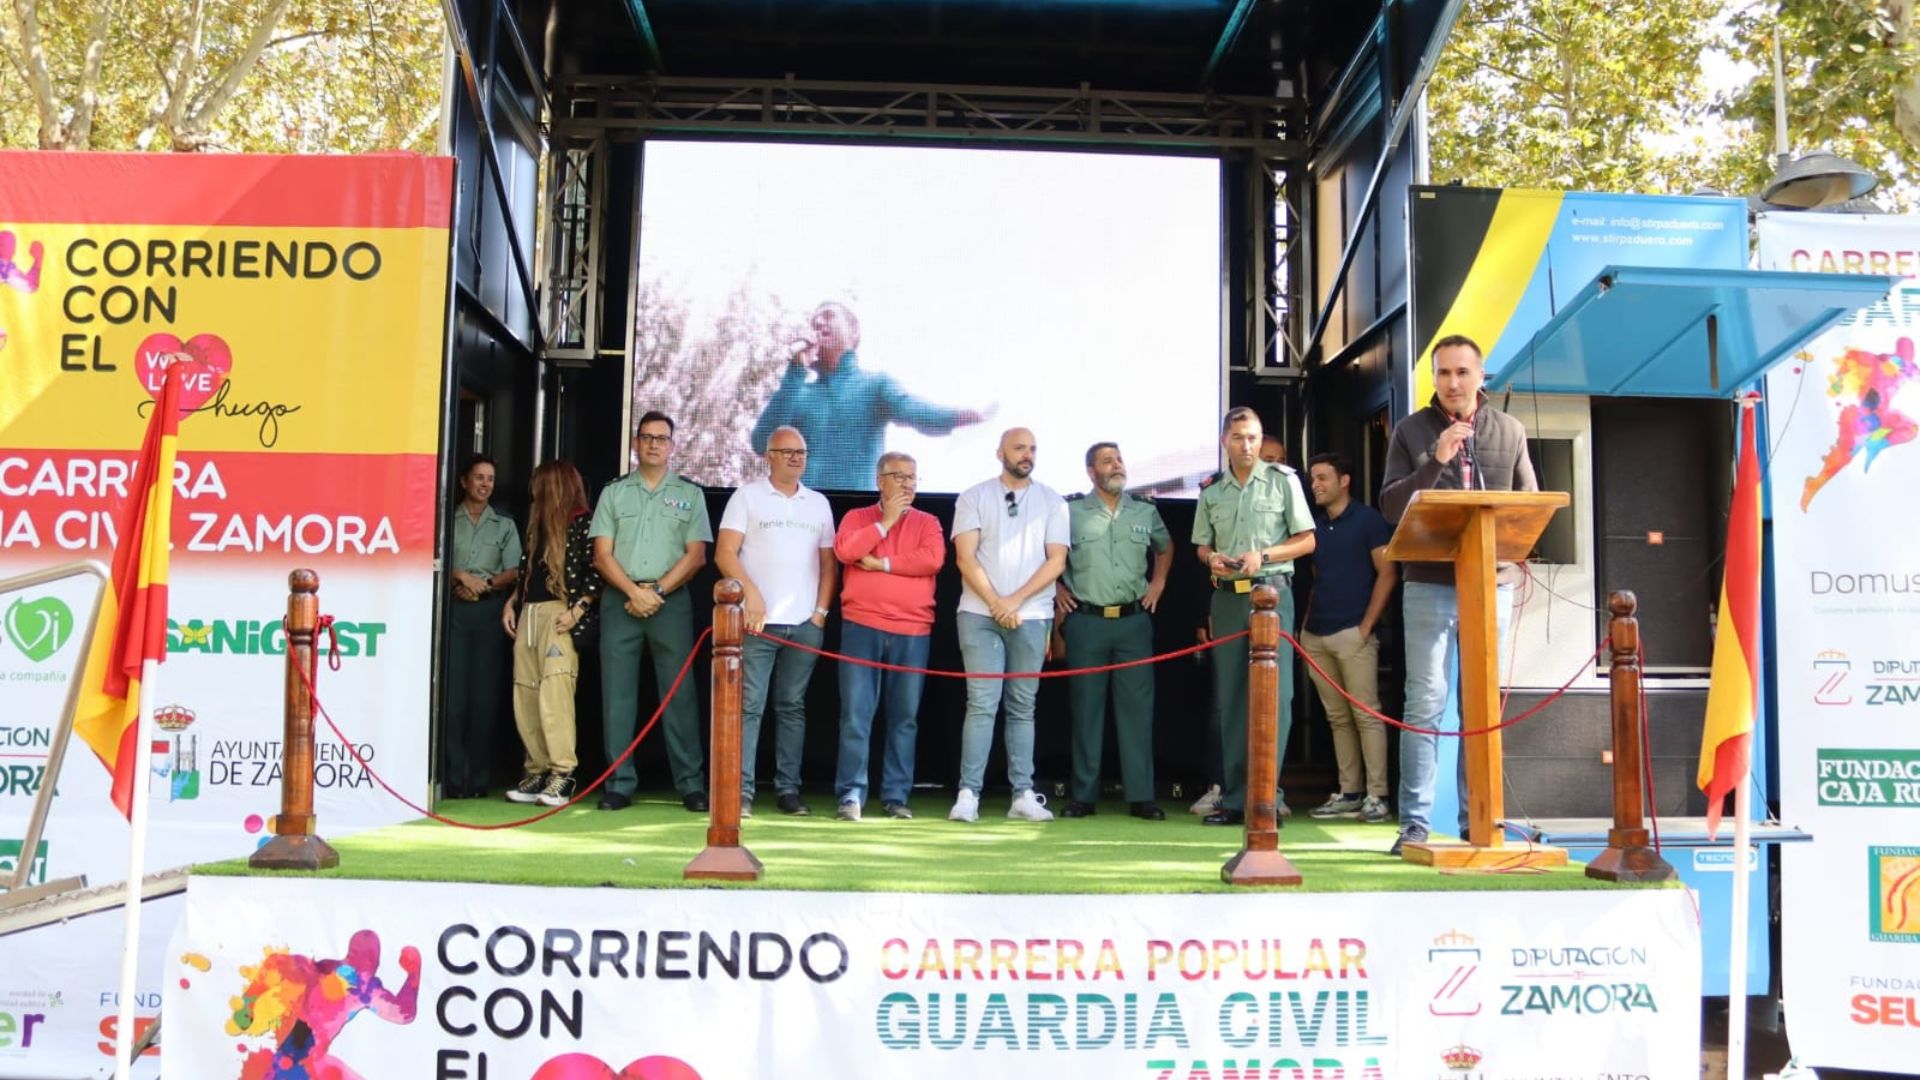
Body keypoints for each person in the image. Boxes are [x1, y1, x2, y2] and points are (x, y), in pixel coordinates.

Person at [1380, 333, 1537, 856]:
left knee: (1479, 708)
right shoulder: (1410, 430)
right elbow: (1388, 507)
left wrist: (1515, 548)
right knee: (1423, 704)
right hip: (1428, 585)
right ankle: (1415, 827)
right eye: (1443, 373)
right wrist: (1435, 461)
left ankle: (1481, 822)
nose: (1452, 382)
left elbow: (1528, 505)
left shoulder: (1509, 430)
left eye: (1461, 373)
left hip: (1489, 585)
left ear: (1480, 376)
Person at [1192, 407, 1315, 826]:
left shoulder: (1284, 482)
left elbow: (1306, 541)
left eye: (1254, 437)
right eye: (1240, 437)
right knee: (1230, 700)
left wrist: (1262, 555)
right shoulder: (1211, 492)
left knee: (1276, 698)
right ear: (1225, 440)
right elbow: (1201, 547)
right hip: (1228, 599)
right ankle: (1233, 797)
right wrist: (1213, 559)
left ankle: (1267, 796)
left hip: (1272, 594)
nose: (1248, 445)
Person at [590, 411, 713, 812]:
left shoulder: (690, 495)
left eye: (662, 438)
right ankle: (619, 783)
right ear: (636, 443)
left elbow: (696, 556)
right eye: (647, 437)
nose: (654, 444)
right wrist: (633, 591)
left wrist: (656, 591)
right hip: (620, 600)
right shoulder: (614, 493)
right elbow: (601, 554)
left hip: (670, 601)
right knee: (617, 696)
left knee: (679, 695)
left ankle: (690, 784)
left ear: (672, 446)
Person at [715, 426, 837, 816]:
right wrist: (750, 593)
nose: (795, 458)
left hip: (804, 623)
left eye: (800, 452)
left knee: (791, 707)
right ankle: (741, 793)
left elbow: (828, 563)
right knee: (748, 707)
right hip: (757, 625)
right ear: (768, 456)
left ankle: (788, 791)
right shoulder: (746, 496)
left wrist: (820, 612)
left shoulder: (817, 503)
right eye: (786, 452)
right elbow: (725, 553)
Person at [949, 427, 1069, 823]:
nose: (1027, 454)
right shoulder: (974, 496)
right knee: (982, 703)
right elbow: (966, 558)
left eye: (1033, 448)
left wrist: (1013, 601)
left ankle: (1022, 794)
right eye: (1019, 448)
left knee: (1022, 707)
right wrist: (997, 603)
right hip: (979, 614)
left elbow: (1056, 561)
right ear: (1000, 452)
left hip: (1032, 616)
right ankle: (968, 794)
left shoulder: (1053, 501)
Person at [751, 301, 994, 490]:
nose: (818, 324)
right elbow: (762, 443)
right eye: (814, 322)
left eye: (828, 316)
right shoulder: (798, 393)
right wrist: (796, 371)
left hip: (857, 522)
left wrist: (960, 416)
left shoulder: (874, 385)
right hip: (804, 524)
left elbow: (914, 410)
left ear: (853, 332)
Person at [1054, 442, 1173, 821]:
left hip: (1133, 622)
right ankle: (1083, 796)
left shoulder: (1144, 510)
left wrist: (1158, 583)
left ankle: (1141, 796)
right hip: (1086, 622)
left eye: (1119, 459)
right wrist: (1056, 589)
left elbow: (1166, 548)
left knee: (1137, 712)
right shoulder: (1069, 511)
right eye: (1108, 461)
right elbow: (1048, 555)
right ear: (1091, 472)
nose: (1117, 465)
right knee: (1086, 710)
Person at [832, 451, 946, 821]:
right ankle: (851, 794)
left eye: (913, 477)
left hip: (912, 631)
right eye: (900, 476)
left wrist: (882, 564)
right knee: (856, 716)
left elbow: (932, 560)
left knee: (904, 718)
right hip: (861, 627)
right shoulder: (858, 517)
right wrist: (886, 523)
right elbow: (846, 551)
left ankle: (896, 796)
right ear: (880, 480)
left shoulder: (928, 522)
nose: (908, 484)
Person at [1300, 451, 1396, 824]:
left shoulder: (1369, 520)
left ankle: (1377, 796)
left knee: (1366, 715)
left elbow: (1388, 573)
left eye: (1323, 478)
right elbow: (1315, 578)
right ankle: (1350, 792)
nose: (1316, 485)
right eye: (1313, 479)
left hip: (1353, 633)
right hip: (1316, 634)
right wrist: (1305, 627)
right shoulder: (1315, 526)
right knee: (1338, 718)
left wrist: (1367, 626)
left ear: (1344, 480)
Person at [501, 461, 602, 808]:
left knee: (555, 694)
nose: (532, 490)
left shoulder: (581, 523)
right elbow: (528, 573)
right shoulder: (536, 524)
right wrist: (513, 601)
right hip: (529, 612)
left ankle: (563, 773)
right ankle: (538, 769)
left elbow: (597, 569)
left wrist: (578, 609)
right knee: (525, 693)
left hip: (559, 613)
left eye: (539, 484)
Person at [444, 453, 520, 799]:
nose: (485, 484)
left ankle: (477, 781)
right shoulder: (447, 520)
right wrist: (459, 575)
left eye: (490, 478)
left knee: (483, 700)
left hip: (488, 613)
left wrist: (483, 585)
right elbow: (434, 559)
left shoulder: (503, 524)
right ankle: (452, 778)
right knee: (454, 698)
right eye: (478, 478)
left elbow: (515, 571)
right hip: (454, 612)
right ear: (464, 481)